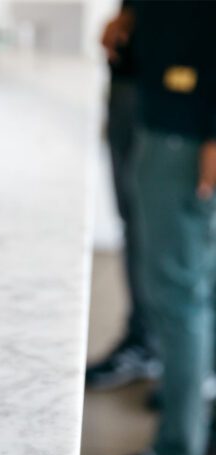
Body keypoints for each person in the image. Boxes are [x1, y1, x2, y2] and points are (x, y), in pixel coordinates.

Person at [83, 0, 216, 455]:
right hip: (168, 105)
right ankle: (193, 417)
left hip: (186, 122)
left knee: (178, 293)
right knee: (192, 284)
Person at [85, 2, 161, 391]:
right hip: (133, 76)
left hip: (174, 98)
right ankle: (147, 344)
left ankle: (193, 374)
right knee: (136, 227)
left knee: (176, 242)